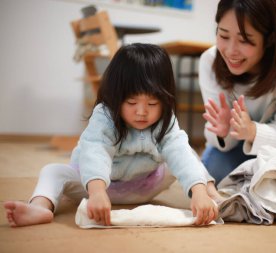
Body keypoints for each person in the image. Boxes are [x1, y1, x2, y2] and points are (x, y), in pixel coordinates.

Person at [4, 43, 222, 227]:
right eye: (132, 102)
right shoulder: (105, 116)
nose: (141, 112)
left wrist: (198, 192)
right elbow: (95, 151)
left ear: (165, 100)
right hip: (95, 188)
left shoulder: (166, 120)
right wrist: (97, 191)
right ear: (116, 96)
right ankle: (40, 207)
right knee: (52, 171)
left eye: (153, 103)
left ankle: (210, 194)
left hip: (144, 187)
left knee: (187, 152)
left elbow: (179, 154)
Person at [199, 0, 276, 184]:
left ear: (269, 38)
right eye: (224, 35)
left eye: (245, 40)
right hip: (242, 142)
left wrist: (251, 130)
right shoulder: (210, 61)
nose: (231, 51)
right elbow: (217, 136)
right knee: (213, 172)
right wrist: (224, 131)